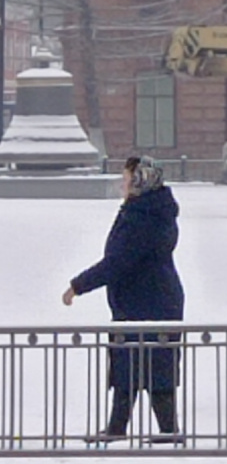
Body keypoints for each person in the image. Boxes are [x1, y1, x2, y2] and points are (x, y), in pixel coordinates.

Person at [63, 155, 185, 442]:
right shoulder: (149, 211)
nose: (123, 185)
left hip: (149, 303)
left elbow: (117, 262)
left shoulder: (143, 217)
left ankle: (164, 431)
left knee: (147, 364)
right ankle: (128, 428)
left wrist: (78, 286)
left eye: (127, 179)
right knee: (134, 364)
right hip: (147, 300)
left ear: (141, 182)